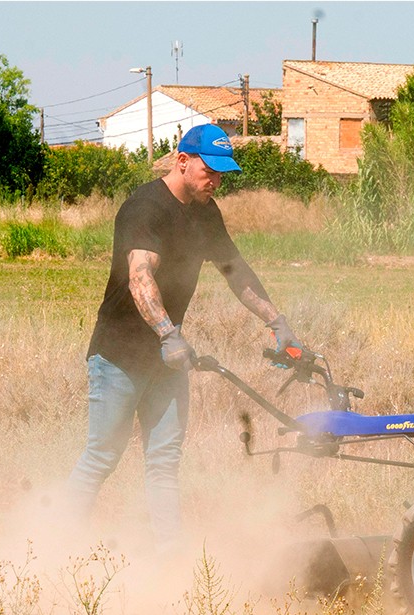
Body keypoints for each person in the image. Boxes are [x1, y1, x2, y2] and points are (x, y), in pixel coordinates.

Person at [67, 123, 301, 554]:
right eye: (208, 170)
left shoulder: (206, 213)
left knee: (163, 462)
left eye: (222, 173)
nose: (216, 180)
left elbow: (236, 273)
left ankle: (170, 559)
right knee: (102, 458)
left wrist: (277, 320)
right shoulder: (144, 208)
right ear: (182, 161)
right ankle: (56, 545)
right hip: (119, 356)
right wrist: (168, 333)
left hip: (168, 360)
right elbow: (140, 276)